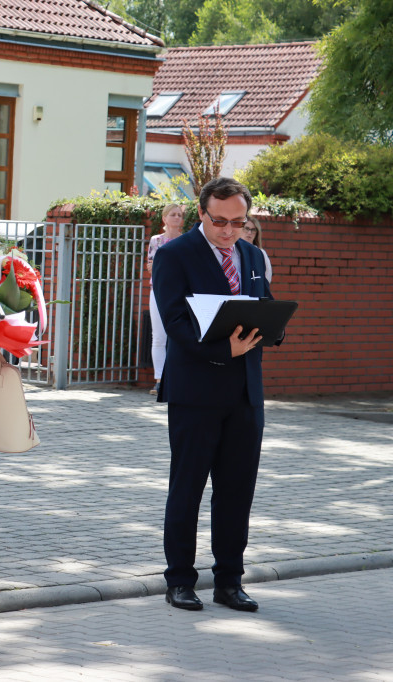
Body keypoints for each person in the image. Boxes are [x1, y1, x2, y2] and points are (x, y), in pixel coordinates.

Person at [152, 177, 278, 613]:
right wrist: (224, 348)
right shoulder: (173, 254)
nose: (229, 231)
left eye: (239, 222)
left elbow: (264, 303)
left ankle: (229, 582)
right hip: (196, 391)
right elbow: (175, 322)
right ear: (201, 213)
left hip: (245, 391)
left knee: (237, 491)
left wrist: (271, 327)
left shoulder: (253, 254)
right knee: (187, 489)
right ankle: (180, 582)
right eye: (220, 221)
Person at [147, 203, 186, 396]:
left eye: (180, 215)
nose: (177, 218)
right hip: (158, 291)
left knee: (178, 335)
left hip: (180, 292)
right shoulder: (156, 240)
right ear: (164, 218)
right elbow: (150, 266)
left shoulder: (186, 240)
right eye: (173, 214)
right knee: (158, 337)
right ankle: (159, 380)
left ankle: (177, 379)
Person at [240, 217, 273, 282]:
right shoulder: (233, 250)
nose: (249, 233)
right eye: (246, 228)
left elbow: (267, 276)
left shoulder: (260, 253)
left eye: (253, 230)